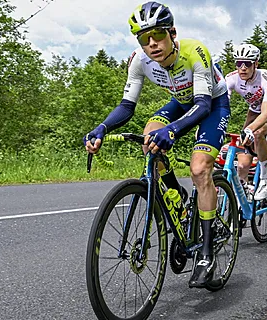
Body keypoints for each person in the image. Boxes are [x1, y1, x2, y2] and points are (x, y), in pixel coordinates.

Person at [83, 1, 229, 288]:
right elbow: (127, 106)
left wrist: (173, 131)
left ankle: (207, 253)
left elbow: (201, 107)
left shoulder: (194, 52)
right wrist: (102, 127)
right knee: (150, 137)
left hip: (212, 105)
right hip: (180, 101)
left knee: (200, 170)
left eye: (158, 35)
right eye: (143, 38)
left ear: (172, 32)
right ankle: (179, 201)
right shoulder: (140, 60)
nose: (152, 44)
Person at [225, 44, 267, 200]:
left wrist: (250, 129)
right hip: (253, 112)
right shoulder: (232, 78)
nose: (243, 68)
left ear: (256, 63)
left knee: (258, 132)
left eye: (248, 63)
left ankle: (265, 178)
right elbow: (221, 106)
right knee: (243, 164)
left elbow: (265, 113)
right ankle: (243, 193)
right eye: (239, 63)